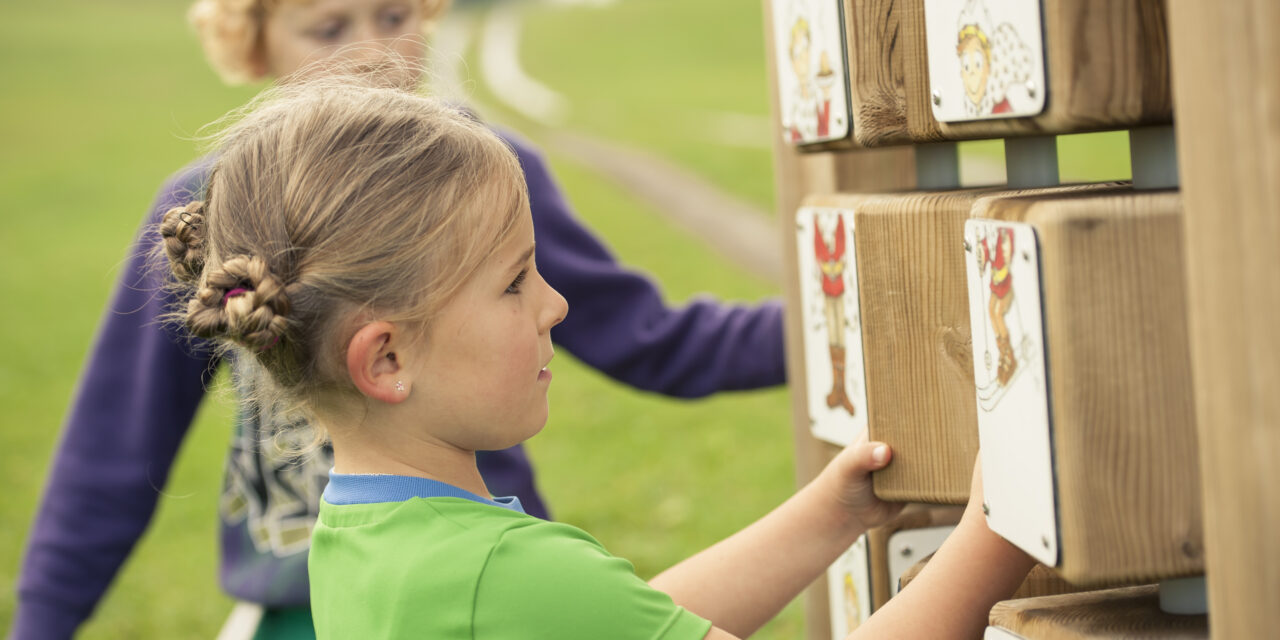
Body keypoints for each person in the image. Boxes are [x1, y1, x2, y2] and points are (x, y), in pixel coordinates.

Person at [11, 1, 784, 638]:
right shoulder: (213, 206)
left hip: (487, 583)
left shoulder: (483, 172)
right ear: (253, 41)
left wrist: (837, 321)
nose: (374, 51)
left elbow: (651, 338)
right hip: (303, 603)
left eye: (393, 14)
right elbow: (111, 451)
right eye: (329, 27)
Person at [161, 77, 1036, 640]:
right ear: (386, 359)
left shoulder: (360, 533)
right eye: (514, 283)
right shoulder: (497, 571)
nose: (556, 304)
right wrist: (999, 530)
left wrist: (830, 514)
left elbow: (630, 621)